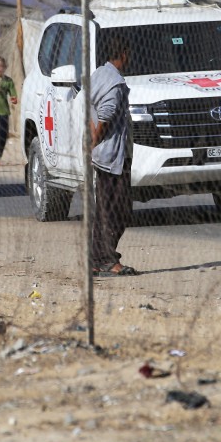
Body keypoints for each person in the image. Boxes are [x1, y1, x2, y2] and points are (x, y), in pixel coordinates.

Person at [90, 35, 138, 277]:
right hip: (113, 158)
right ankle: (108, 259)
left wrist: (92, 143)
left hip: (104, 157)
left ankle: (97, 259)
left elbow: (88, 105)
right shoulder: (115, 83)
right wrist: (95, 140)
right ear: (124, 53)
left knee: (104, 210)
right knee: (118, 211)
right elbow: (105, 115)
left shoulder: (98, 74)